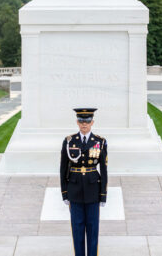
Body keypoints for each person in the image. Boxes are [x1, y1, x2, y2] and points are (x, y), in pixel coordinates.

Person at [60, 107, 108, 256]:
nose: (84, 124)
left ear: (92, 122)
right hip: (74, 190)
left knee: (93, 229)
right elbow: (63, 169)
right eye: (81, 121)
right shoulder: (69, 141)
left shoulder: (100, 142)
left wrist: (103, 194)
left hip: (93, 189)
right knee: (77, 229)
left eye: (87, 121)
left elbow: (104, 170)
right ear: (77, 122)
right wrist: (65, 192)